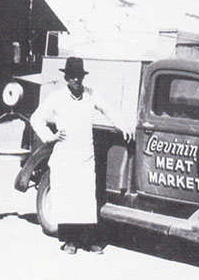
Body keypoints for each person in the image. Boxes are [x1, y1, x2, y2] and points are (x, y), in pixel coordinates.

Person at [30, 57, 133, 254]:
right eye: (72, 76)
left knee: (85, 199)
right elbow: (36, 118)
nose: (76, 80)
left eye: (79, 76)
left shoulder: (90, 95)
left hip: (85, 156)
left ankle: (89, 241)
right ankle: (70, 242)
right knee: (67, 198)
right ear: (66, 78)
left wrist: (123, 125)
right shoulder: (57, 97)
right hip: (65, 156)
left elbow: (108, 110)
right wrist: (50, 137)